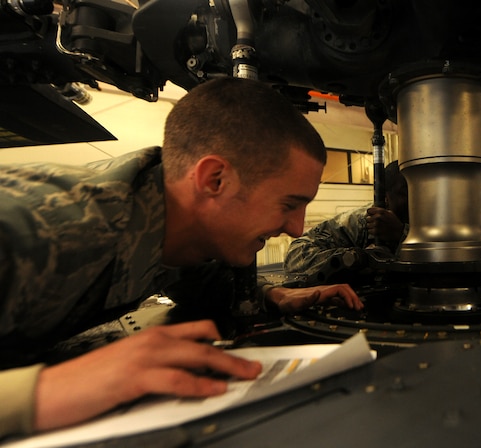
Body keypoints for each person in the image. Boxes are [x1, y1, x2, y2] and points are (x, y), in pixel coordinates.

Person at [0, 77, 363, 437]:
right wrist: (50, 390)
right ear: (214, 179)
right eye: (288, 204)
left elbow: (194, 277)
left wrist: (270, 294)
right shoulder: (37, 227)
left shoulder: (165, 214)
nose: (297, 229)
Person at [284, 161, 408, 284]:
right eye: (405, 192)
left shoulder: (425, 223)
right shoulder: (363, 222)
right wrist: (356, 258)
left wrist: (401, 234)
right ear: (385, 197)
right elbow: (295, 256)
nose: (416, 198)